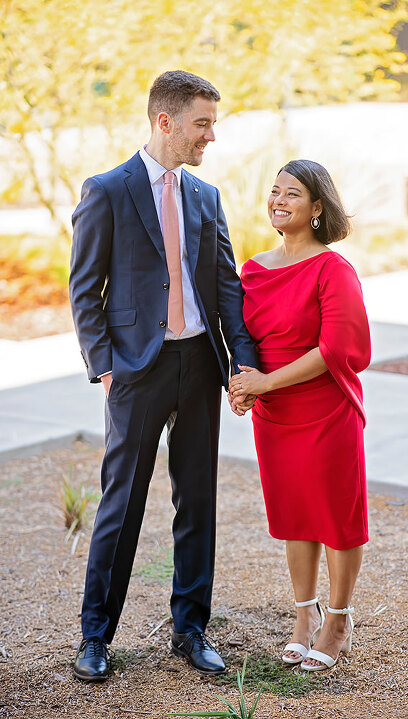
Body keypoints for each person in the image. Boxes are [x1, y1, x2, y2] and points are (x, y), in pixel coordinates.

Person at [69, 70, 258, 681]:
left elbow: (226, 285)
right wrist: (104, 366)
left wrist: (241, 362)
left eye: (213, 124)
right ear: (165, 121)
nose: (210, 137)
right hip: (135, 371)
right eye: (202, 124)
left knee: (198, 499)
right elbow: (84, 290)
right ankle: (96, 636)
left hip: (201, 362)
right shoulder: (107, 191)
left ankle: (191, 628)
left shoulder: (206, 196)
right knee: (120, 505)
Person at [229, 159, 370, 672]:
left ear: (316, 208)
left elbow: (338, 347)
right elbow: (243, 336)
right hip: (274, 414)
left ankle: (338, 619)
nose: (279, 200)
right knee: (294, 516)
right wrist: (242, 383)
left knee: (335, 517)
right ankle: (302, 618)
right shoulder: (254, 268)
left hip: (326, 409)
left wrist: (265, 381)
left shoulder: (333, 269)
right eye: (275, 191)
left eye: (292, 193)